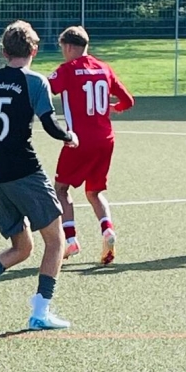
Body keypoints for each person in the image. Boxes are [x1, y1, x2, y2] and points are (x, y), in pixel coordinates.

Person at [0, 20, 79, 330]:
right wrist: (69, 137)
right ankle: (40, 312)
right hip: (25, 171)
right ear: (34, 50)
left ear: (5, 51)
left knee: (23, 247)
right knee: (56, 241)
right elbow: (49, 125)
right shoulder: (34, 81)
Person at [48, 25, 135, 265]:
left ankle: (71, 240)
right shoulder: (104, 68)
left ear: (68, 46)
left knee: (61, 189)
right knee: (94, 192)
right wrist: (115, 108)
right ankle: (107, 230)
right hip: (105, 140)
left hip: (78, 141)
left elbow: (45, 89)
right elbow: (128, 100)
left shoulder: (67, 70)